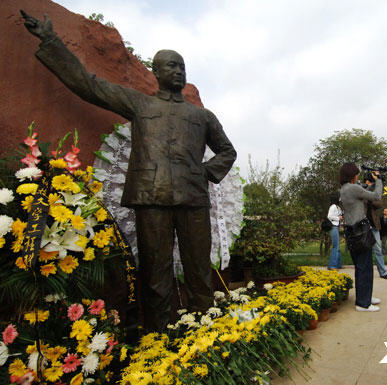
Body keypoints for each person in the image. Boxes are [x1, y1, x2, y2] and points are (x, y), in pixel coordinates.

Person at [21, 11, 237, 332]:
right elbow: (89, 85)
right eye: (171, 66)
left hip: (193, 198)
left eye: (181, 66)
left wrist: (204, 171)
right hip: (151, 197)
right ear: (156, 72)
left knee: (199, 273)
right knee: (154, 274)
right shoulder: (140, 104)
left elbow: (227, 151)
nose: (178, 71)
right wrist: (51, 41)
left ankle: (205, 333)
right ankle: (157, 339)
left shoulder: (202, 116)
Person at [339, 163, 383, 312]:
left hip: (352, 232)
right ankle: (363, 304)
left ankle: (365, 297)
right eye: (356, 174)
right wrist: (378, 180)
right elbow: (376, 196)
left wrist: (368, 185)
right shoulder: (353, 188)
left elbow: (362, 191)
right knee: (365, 267)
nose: (358, 176)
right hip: (361, 231)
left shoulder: (345, 189)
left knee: (361, 267)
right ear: (352, 175)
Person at [364, 179, 387, 280]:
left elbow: (379, 204)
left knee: (378, 249)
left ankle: (383, 272)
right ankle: (366, 272)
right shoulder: (360, 190)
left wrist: (371, 198)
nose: (369, 184)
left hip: (374, 225)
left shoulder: (375, 193)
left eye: (370, 183)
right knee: (366, 250)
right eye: (367, 182)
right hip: (363, 226)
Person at [327, 192, 343, 270]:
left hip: (337, 227)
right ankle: (332, 266)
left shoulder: (337, 207)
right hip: (333, 227)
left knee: (338, 246)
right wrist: (338, 218)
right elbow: (329, 216)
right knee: (335, 246)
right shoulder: (333, 206)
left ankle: (339, 264)